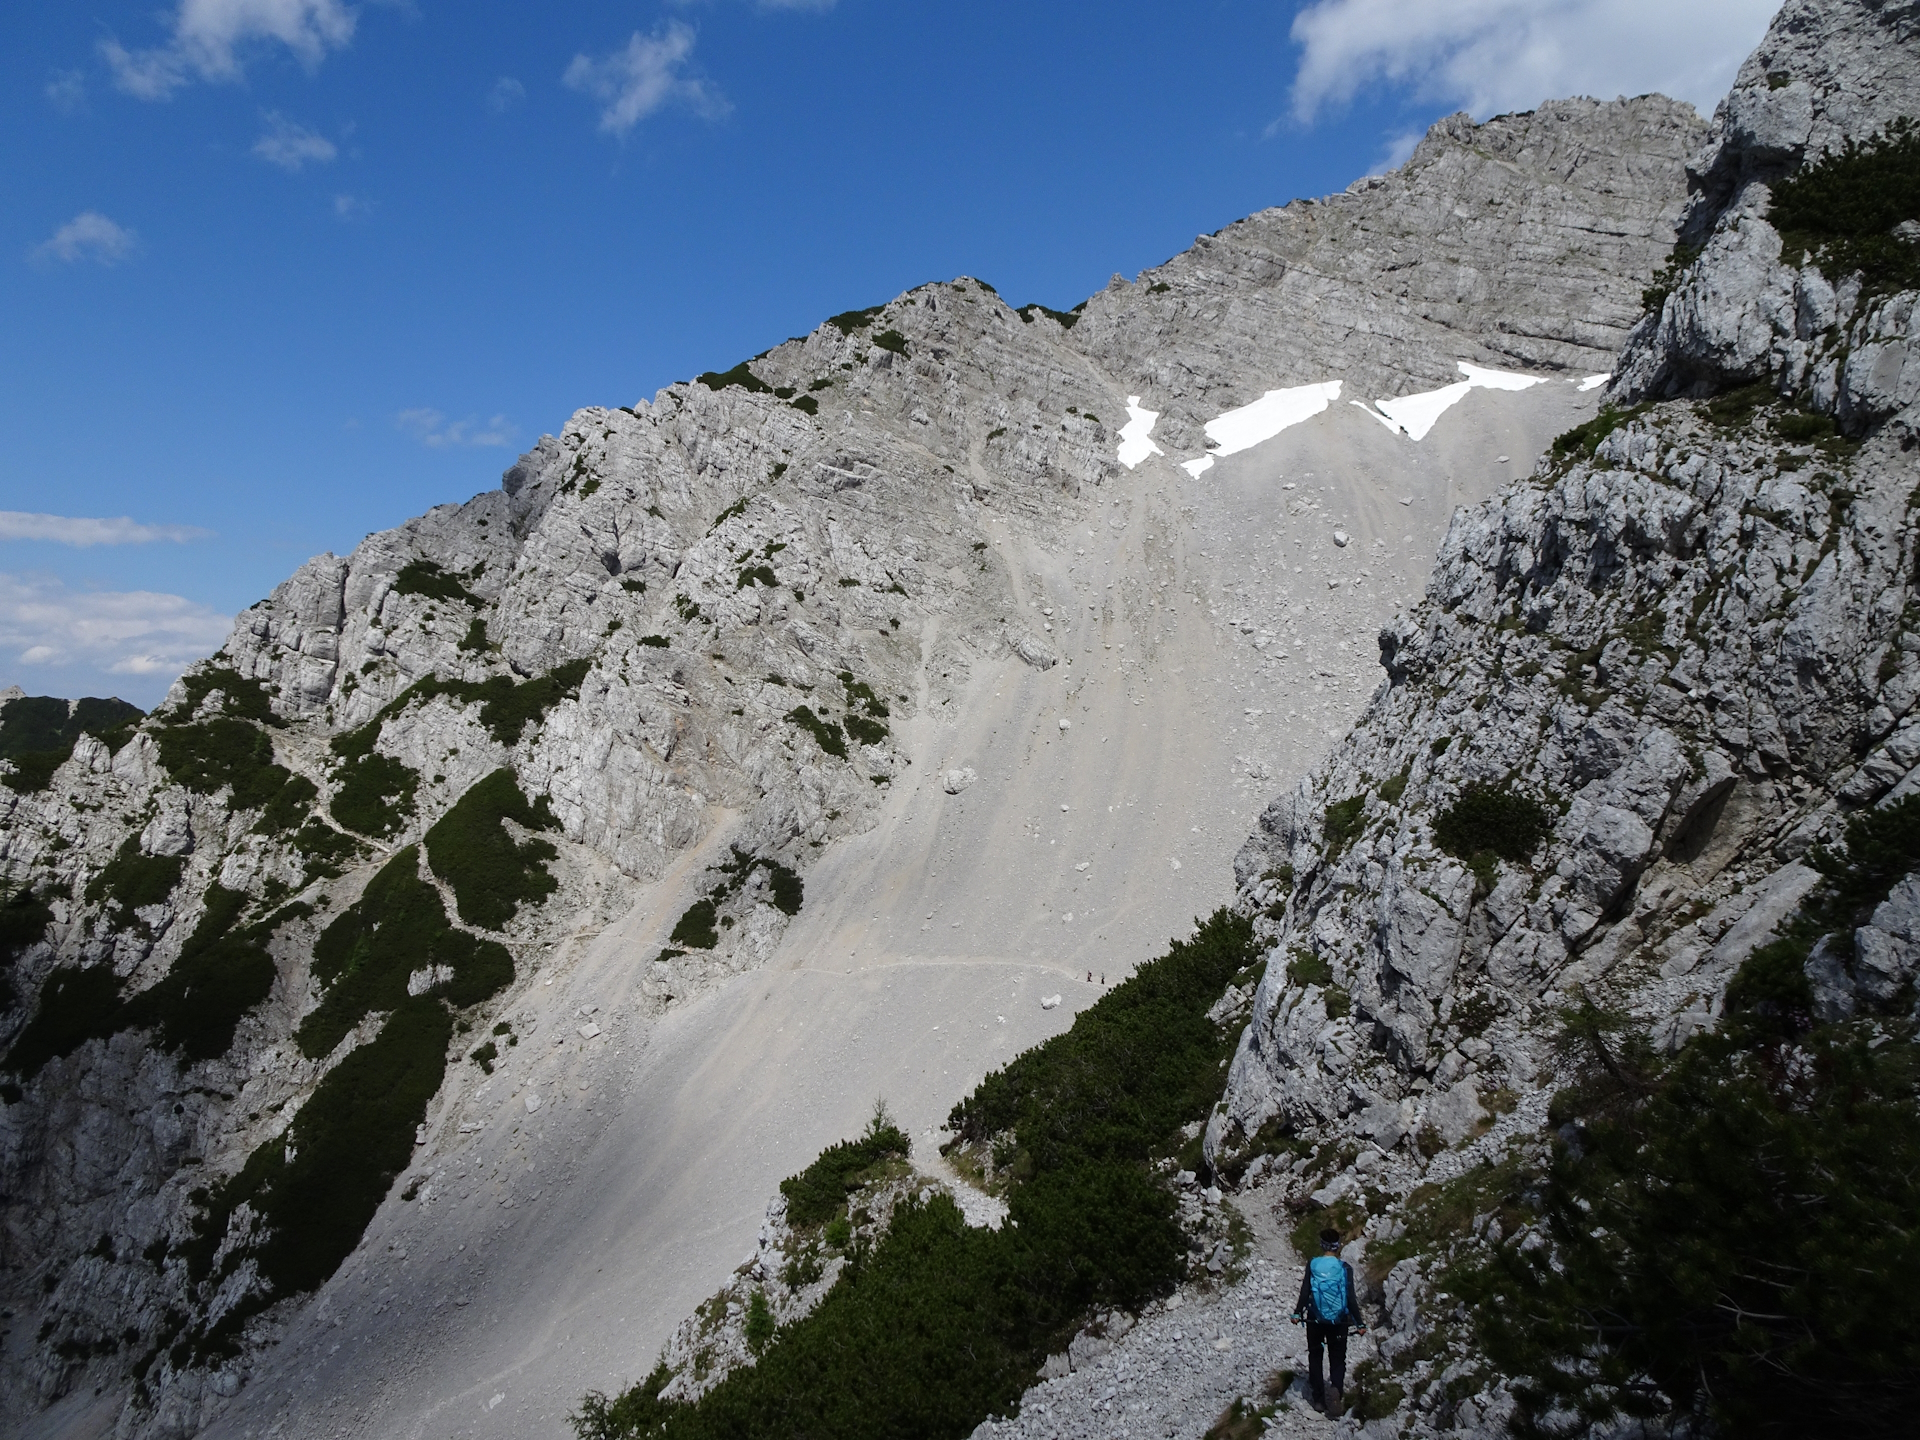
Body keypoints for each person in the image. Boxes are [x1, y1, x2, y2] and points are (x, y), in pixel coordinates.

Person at [1291, 1227, 1366, 1416]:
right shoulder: (1344, 1268)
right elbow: (1350, 1297)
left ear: (1322, 1245)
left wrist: (1297, 1313)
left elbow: (1305, 1291)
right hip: (1339, 1321)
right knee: (1337, 1358)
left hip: (1314, 1319)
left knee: (1316, 1356)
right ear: (1338, 1246)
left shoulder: (1313, 1264)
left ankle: (1318, 1399)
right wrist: (1359, 1323)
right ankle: (1336, 1391)